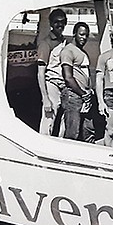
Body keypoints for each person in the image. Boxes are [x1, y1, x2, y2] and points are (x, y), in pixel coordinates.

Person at [60, 22, 95, 142]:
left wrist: (88, 93)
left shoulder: (82, 52)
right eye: (81, 34)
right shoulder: (68, 51)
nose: (84, 38)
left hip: (85, 97)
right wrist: (83, 93)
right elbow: (68, 78)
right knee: (72, 134)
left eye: (86, 35)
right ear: (74, 34)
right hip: (73, 96)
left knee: (88, 132)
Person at [37, 8, 68, 136]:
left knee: (65, 120)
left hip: (65, 84)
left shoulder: (65, 42)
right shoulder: (45, 44)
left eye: (62, 22)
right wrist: (45, 98)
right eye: (56, 22)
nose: (59, 25)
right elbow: (40, 73)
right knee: (49, 118)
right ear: (51, 23)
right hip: (52, 84)